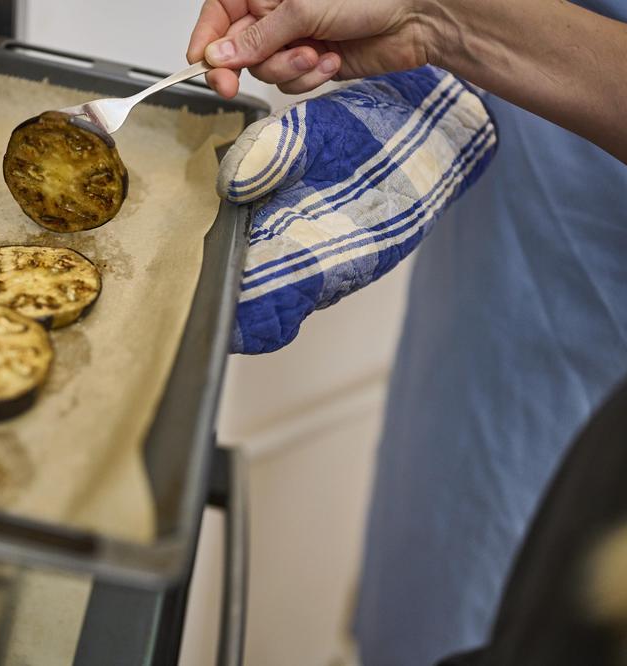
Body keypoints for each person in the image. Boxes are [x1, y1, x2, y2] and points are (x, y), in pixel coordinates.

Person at [188, 0, 627, 664]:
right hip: (499, 246)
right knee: (434, 572)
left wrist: (443, 20)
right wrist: (436, 67)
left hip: (606, 337)